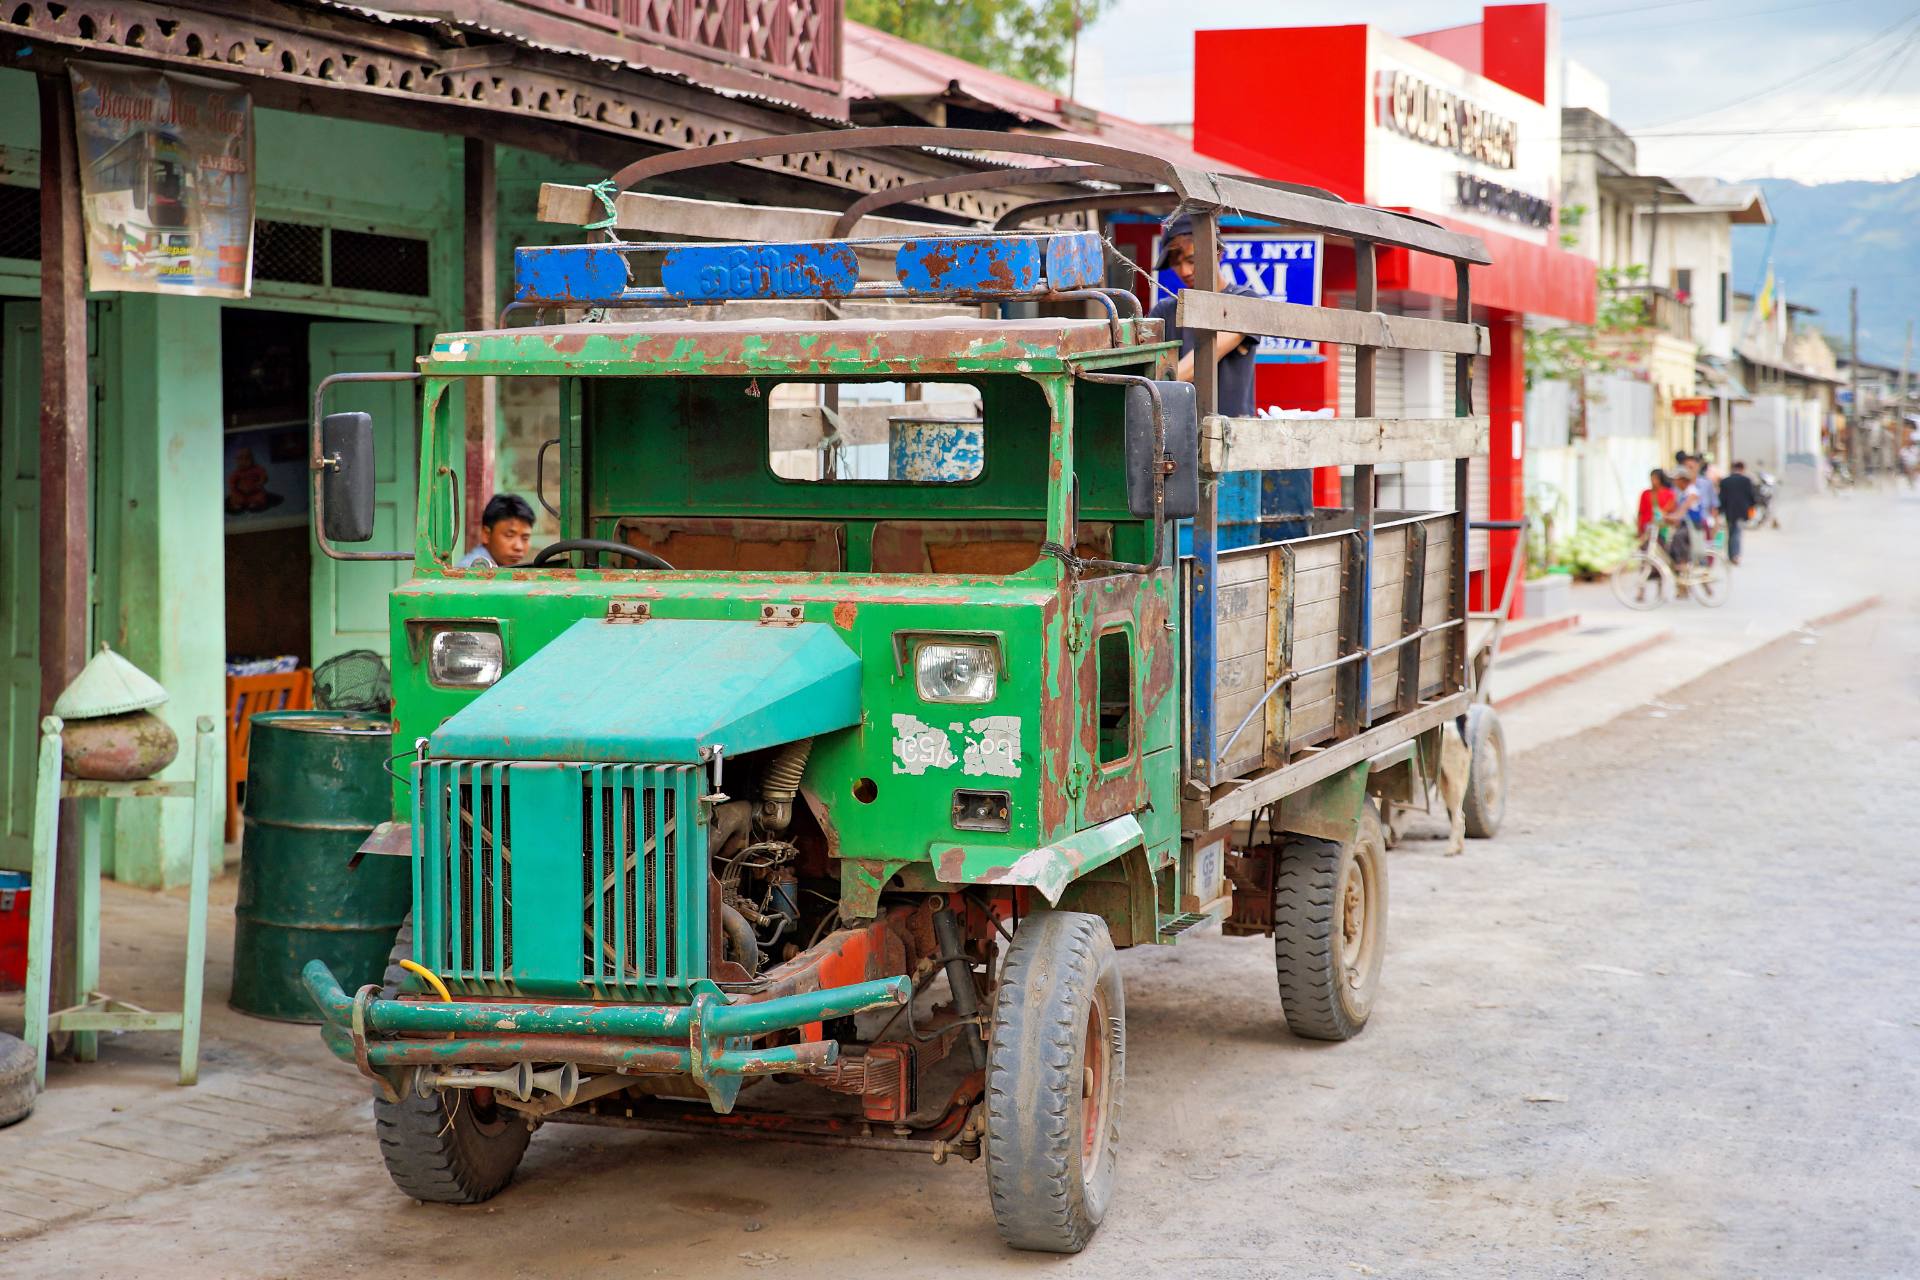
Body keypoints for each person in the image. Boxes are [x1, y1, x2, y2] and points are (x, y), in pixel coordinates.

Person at [1147, 212, 1260, 418]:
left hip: (1228, 435)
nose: (1185, 271)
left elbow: (1200, 362)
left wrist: (1146, 388)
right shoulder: (1164, 311)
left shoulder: (1244, 301)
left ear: (1218, 252)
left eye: (1192, 260)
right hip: (1177, 433)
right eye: (1176, 263)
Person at [458, 493, 534, 568]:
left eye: (525, 538)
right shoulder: (470, 570)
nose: (518, 547)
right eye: (509, 535)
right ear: (486, 535)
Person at [1718, 461, 1757, 566]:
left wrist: (1720, 511)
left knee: (1731, 532)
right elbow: (1751, 496)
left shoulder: (1725, 481)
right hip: (1741, 511)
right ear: (1742, 468)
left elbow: (1721, 498)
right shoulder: (1746, 480)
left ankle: (1731, 554)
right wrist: (1752, 506)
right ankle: (1735, 555)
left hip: (1729, 511)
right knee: (1737, 533)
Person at [1635, 468, 1677, 539]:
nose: (1653, 481)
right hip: (1646, 527)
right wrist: (1639, 529)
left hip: (1662, 528)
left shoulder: (1669, 494)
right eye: (1651, 478)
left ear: (1660, 479)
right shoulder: (1645, 493)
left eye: (1655, 478)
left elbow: (1670, 511)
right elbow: (1640, 512)